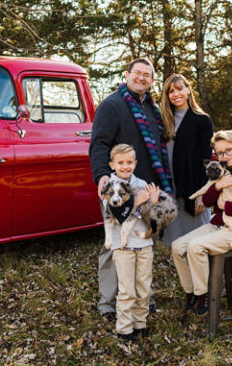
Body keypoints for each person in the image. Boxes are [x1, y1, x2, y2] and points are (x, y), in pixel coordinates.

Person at [89, 58, 172, 321]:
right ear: (127, 75)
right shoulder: (112, 105)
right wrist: (102, 175)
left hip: (148, 189)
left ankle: (141, 296)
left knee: (144, 242)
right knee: (115, 246)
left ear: (152, 80)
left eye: (147, 75)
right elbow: (99, 143)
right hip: (120, 190)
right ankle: (108, 302)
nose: (142, 78)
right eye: (137, 73)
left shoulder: (153, 109)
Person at [171, 130, 232, 317]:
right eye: (220, 153)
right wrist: (218, 186)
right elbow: (208, 201)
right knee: (177, 246)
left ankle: (204, 295)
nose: (225, 156)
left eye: (229, 150)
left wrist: (224, 205)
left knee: (196, 246)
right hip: (217, 225)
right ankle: (191, 292)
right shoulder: (218, 171)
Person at [103, 144, 159, 340]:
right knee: (126, 289)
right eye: (120, 163)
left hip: (143, 243)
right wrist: (136, 201)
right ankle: (125, 328)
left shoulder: (142, 183)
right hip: (122, 245)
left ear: (135, 163)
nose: (125, 166)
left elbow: (150, 214)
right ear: (112, 164)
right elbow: (115, 213)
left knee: (144, 288)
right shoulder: (109, 187)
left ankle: (140, 323)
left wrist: (153, 200)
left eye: (129, 162)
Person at [159, 74, 214, 246]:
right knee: (176, 242)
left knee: (198, 241)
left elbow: (207, 161)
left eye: (180, 89)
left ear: (188, 90)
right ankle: (183, 272)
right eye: (171, 91)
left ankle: (204, 272)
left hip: (192, 188)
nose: (176, 94)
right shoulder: (163, 120)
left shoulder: (202, 120)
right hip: (170, 189)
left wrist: (203, 194)